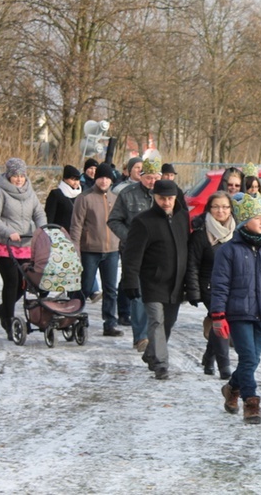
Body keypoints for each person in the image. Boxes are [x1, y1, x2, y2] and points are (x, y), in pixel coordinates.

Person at [211, 193, 261, 424]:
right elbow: (220, 285)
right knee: (248, 358)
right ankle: (251, 402)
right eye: (256, 217)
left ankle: (232, 388)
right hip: (238, 313)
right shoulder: (229, 250)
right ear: (244, 221)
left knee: (252, 360)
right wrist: (218, 315)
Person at [122, 180, 190, 381]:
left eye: (170, 198)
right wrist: (130, 281)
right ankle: (161, 364)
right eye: (162, 198)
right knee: (157, 321)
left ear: (176, 198)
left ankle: (151, 354)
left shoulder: (182, 218)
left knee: (168, 323)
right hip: (152, 281)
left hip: (176, 282)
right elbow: (132, 255)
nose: (166, 202)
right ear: (154, 197)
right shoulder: (143, 221)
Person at [0, 158, 46, 339]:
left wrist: (42, 229)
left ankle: (3, 309)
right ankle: (9, 319)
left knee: (24, 282)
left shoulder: (30, 192)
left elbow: (39, 213)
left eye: (21, 176)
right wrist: (8, 231)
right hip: (3, 244)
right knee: (12, 280)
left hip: (24, 244)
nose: (19, 179)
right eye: (15, 176)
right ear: (9, 176)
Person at [108, 157, 161, 349]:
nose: (152, 182)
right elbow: (114, 220)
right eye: (148, 178)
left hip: (159, 253)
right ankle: (141, 337)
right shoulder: (128, 194)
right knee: (138, 293)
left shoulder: (166, 196)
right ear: (141, 176)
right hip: (135, 252)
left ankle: (156, 334)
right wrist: (131, 239)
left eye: (155, 177)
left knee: (156, 294)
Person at [69, 163, 124, 338]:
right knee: (84, 287)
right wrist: (75, 250)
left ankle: (110, 323)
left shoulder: (116, 199)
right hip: (89, 250)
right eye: (101, 177)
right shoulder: (85, 198)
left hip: (112, 250)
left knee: (110, 289)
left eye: (108, 178)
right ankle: (75, 318)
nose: (104, 181)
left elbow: (121, 223)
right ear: (96, 178)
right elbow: (76, 226)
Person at [186, 191, 235, 378]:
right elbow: (192, 265)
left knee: (223, 321)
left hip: (232, 287)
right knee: (221, 320)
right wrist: (194, 292)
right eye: (216, 207)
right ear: (209, 208)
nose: (220, 211)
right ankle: (224, 365)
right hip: (209, 287)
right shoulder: (201, 235)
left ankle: (208, 356)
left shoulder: (236, 232)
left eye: (225, 206)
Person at [44, 165, 81, 230]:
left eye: (77, 180)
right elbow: (49, 217)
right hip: (59, 234)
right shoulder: (56, 194)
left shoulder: (80, 195)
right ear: (65, 179)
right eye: (72, 179)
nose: (76, 182)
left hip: (76, 233)